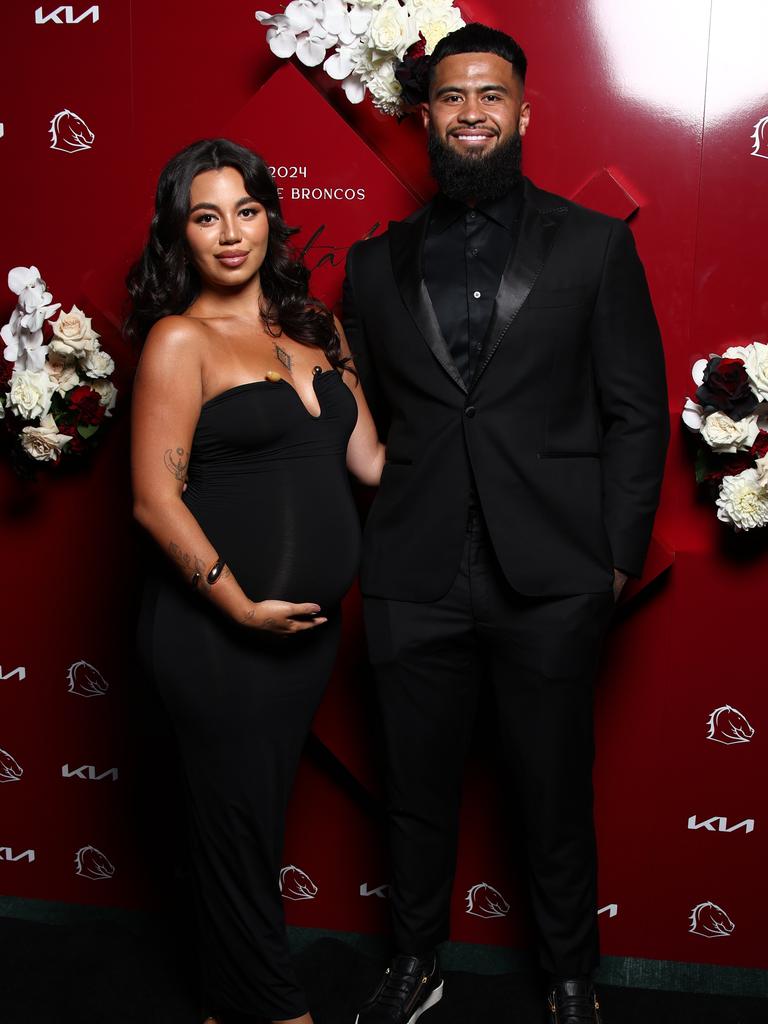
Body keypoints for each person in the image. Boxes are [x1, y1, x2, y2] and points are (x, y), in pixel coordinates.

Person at [343, 23, 669, 1024]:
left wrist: (611, 562)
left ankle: (573, 978)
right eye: (451, 96)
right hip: (415, 574)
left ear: (524, 112)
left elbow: (636, 409)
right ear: (425, 114)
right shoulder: (370, 265)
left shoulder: (596, 245)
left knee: (553, 795)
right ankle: (416, 961)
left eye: (491, 94)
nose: (472, 110)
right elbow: (355, 409)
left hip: (552, 576)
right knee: (413, 794)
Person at [128, 138, 383, 1024]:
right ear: (180, 234)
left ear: (271, 217)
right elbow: (156, 502)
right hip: (215, 632)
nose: (230, 234)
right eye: (206, 216)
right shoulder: (179, 340)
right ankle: (280, 1013)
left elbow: (373, 462)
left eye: (245, 210)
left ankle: (220, 1006)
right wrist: (240, 604)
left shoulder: (317, 329)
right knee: (235, 831)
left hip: (306, 639)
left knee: (247, 821)